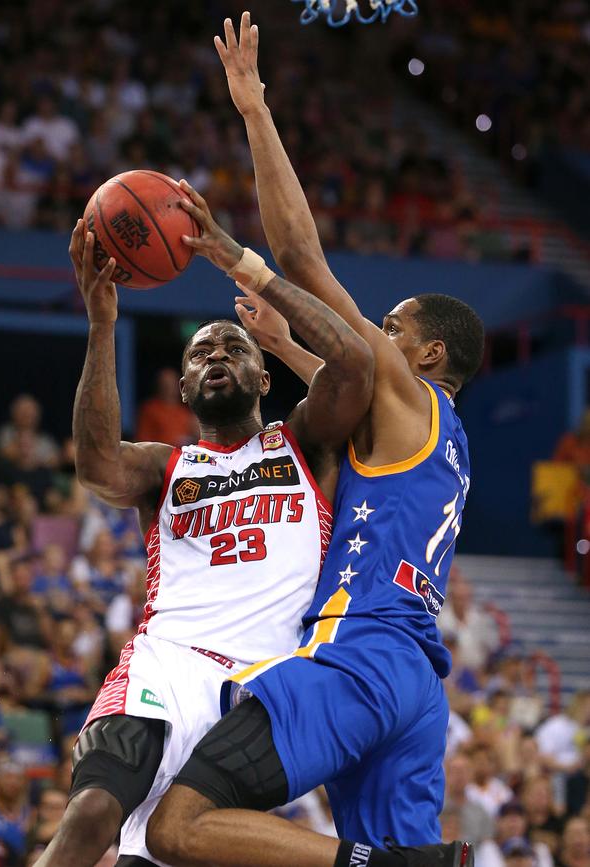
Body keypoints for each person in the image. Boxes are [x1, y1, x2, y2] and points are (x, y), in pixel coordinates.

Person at [146, 14, 484, 867]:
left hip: (357, 649)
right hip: (415, 682)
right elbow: (344, 376)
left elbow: (300, 254)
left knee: (178, 825)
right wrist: (285, 339)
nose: (376, 326)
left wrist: (253, 119)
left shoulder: (409, 390)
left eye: (392, 323)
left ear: (429, 353)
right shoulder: (447, 439)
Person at [35, 178, 372, 867]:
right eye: (199, 353)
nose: (216, 354)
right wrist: (101, 323)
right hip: (166, 662)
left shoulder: (302, 443)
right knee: (93, 809)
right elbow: (97, 464)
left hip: (259, 695)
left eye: (233, 347)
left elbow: (356, 362)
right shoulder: (167, 467)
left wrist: (233, 260)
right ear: (184, 388)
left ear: (264, 374)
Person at [135, 368, 199, 446]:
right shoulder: (150, 409)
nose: (169, 388)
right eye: (165, 384)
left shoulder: (185, 412)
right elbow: (142, 441)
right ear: (158, 385)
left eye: (172, 384)